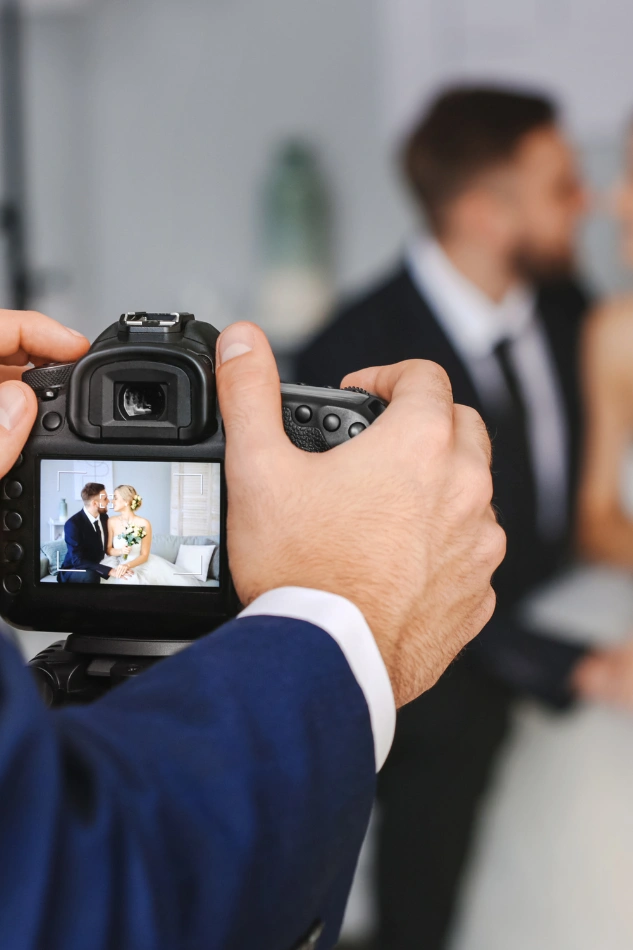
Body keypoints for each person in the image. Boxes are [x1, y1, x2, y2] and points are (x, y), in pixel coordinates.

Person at [0, 309, 504, 950]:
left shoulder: (135, 525)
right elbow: (64, 894)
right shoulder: (83, 527)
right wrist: (343, 622)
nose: (114, 504)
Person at [296, 86, 603, 949]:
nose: (584, 202)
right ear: (480, 212)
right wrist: (571, 665)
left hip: (569, 600)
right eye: (560, 186)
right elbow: (374, 577)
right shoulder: (349, 361)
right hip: (448, 661)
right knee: (450, 725)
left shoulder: (574, 313)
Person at [446, 115, 633, 950]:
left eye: (629, 179)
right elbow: (596, 515)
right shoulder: (610, 331)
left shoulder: (565, 311)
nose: (610, 200)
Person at [101, 485, 205, 586]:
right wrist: (121, 551)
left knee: (131, 579)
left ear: (126, 501)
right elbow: (108, 550)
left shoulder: (144, 523)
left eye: (115, 498)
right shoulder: (111, 521)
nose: (112, 501)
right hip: (117, 563)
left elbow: (144, 555)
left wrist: (127, 565)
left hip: (139, 565)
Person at [58, 482, 133, 583]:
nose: (109, 501)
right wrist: (110, 571)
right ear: (95, 503)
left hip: (100, 562)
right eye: (105, 499)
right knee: (91, 576)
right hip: (74, 569)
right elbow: (78, 561)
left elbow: (108, 547)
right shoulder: (73, 524)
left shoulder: (104, 517)